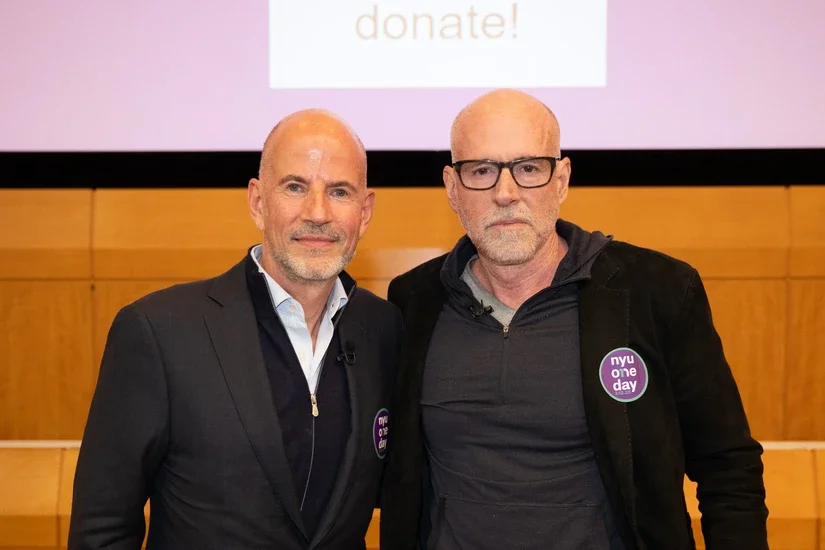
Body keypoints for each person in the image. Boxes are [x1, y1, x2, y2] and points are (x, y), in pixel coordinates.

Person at [379, 89, 768, 550]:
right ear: (452, 187)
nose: (505, 194)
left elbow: (727, 465)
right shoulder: (413, 301)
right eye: (481, 171)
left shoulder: (658, 292)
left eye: (528, 169)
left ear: (561, 180)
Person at [69, 109, 403, 549]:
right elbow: (101, 528)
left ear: (365, 211)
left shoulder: (385, 330)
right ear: (258, 202)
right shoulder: (159, 333)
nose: (318, 212)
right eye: (295, 187)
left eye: (339, 191)